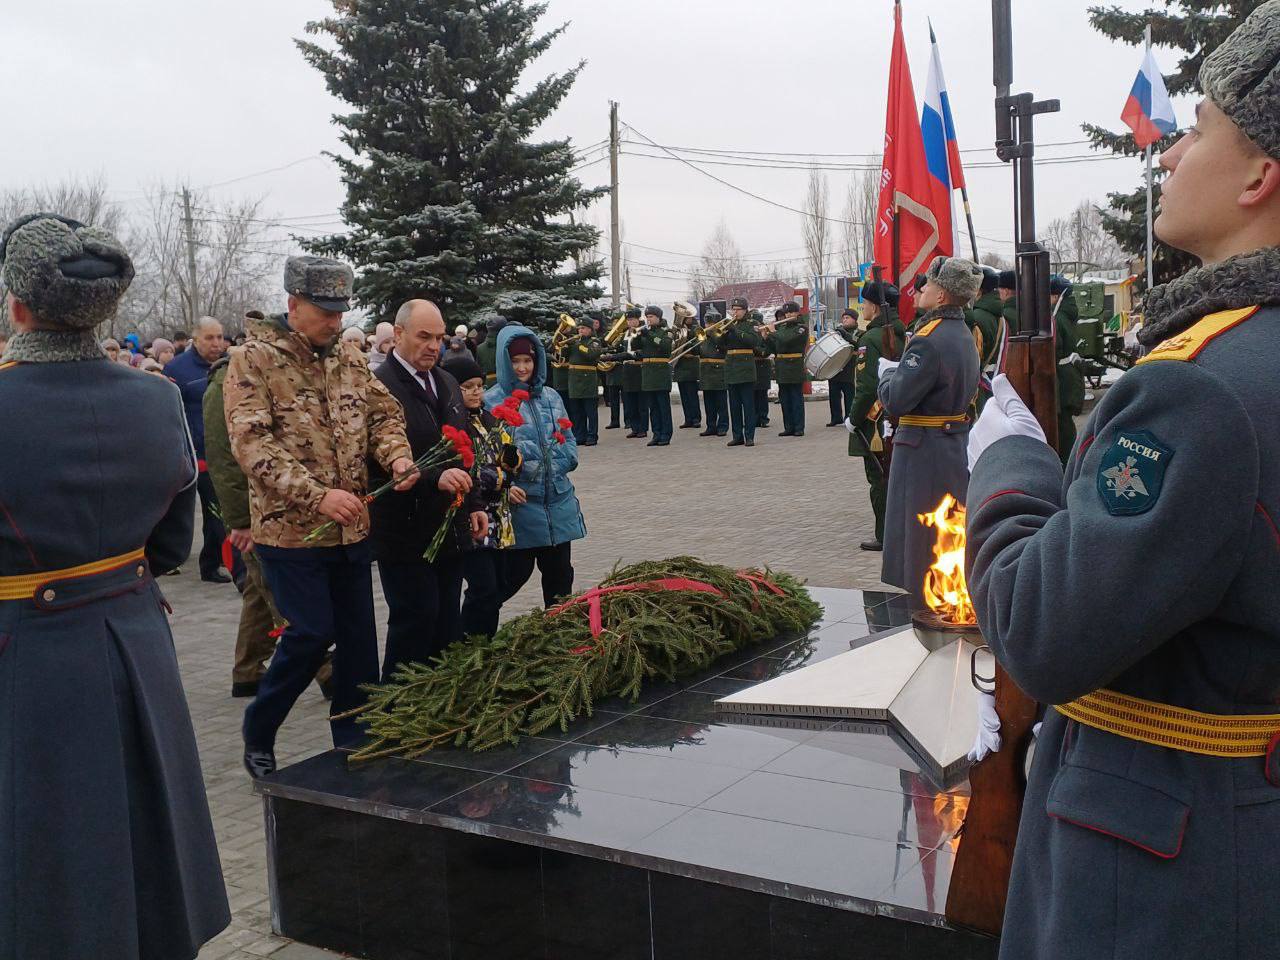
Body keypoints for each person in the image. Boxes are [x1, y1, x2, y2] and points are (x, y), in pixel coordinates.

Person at [964, 7, 1280, 957]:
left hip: (1164, 872)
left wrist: (1009, 458)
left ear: (1260, 176)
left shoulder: (1204, 388)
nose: (1170, 155)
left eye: (1199, 129)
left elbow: (1040, 630)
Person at [0, 212, 229, 957]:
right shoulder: (156, 398)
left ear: (17, 307)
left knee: (44, 860)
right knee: (145, 834)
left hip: (27, 659)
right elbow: (171, 544)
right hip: (138, 642)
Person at [225, 255, 419, 778]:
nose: (336, 321)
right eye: (325, 311)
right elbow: (251, 443)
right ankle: (260, 729)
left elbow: (384, 415)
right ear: (293, 306)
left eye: (340, 311)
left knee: (359, 645)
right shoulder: (253, 360)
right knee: (311, 634)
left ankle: (356, 741)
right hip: (291, 534)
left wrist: (397, 457)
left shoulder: (349, 357)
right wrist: (316, 497)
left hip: (351, 530)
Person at [204, 310, 333, 700]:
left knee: (258, 591)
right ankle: (328, 670)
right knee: (283, 594)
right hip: (257, 509)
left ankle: (247, 670)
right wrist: (239, 520)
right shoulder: (229, 380)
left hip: (279, 500)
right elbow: (224, 459)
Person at [369, 299, 484, 679]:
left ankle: (439, 704)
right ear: (398, 333)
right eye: (424, 337)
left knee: (447, 623)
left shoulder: (446, 381)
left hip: (449, 526)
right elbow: (376, 462)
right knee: (415, 621)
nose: (434, 346)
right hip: (404, 530)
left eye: (439, 338)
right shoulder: (378, 386)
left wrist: (474, 503)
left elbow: (464, 449)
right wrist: (433, 478)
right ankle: (395, 704)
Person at [876, 255, 981, 604]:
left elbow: (897, 400)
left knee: (922, 539)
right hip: (950, 444)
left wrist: (887, 374)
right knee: (945, 531)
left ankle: (926, 607)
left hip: (923, 450)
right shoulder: (963, 333)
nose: (921, 289)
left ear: (942, 296)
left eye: (929, 284)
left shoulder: (928, 339)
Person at [485, 325, 585, 606]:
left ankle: (558, 629)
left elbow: (568, 440)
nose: (522, 368)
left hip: (557, 502)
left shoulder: (551, 397)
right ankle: (475, 629)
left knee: (560, 580)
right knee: (509, 578)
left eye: (527, 360)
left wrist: (561, 461)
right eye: (515, 361)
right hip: (521, 507)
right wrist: (508, 483)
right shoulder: (491, 402)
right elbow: (486, 456)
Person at [441, 350, 525, 639]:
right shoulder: (455, 424)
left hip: (499, 520)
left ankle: (483, 642)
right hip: (473, 520)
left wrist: (513, 461)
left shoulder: (489, 420)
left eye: (479, 385)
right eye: (468, 387)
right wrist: (502, 478)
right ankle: (469, 643)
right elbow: (472, 471)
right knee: (483, 587)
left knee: (499, 585)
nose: (477, 392)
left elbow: (509, 461)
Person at [165, 315, 244, 586]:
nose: (216, 343)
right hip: (194, 454)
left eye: (220, 337)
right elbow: (171, 415)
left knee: (220, 514)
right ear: (195, 339)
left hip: (225, 453)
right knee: (206, 513)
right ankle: (202, 562)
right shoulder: (177, 369)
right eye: (209, 338)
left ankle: (217, 563)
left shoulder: (231, 366)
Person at [845, 281, 906, 552]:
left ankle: (885, 534)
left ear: (875, 306)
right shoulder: (906, 333)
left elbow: (867, 387)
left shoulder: (870, 339)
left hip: (877, 420)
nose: (863, 308)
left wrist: (854, 418)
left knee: (879, 478)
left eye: (865, 303)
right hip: (900, 414)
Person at [710, 296, 763, 447]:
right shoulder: (729, 324)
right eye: (733, 309)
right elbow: (721, 345)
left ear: (745, 310)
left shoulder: (752, 323)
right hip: (731, 368)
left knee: (748, 405)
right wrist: (719, 335)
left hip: (745, 368)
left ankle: (749, 436)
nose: (735, 312)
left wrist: (736, 331)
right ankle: (737, 436)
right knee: (734, 406)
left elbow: (753, 341)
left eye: (738, 309)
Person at [1050, 275, 1086, 464]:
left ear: (1057, 296)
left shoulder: (1056, 318)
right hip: (1070, 373)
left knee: (1063, 427)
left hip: (1062, 377)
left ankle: (1067, 465)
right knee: (1066, 424)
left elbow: (1053, 350)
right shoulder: (1067, 315)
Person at [764, 301, 808, 437]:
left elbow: (786, 339)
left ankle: (799, 427)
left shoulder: (802, 328)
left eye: (791, 312)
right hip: (782, 367)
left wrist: (773, 332)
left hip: (794, 366)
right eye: (786, 313)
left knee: (796, 399)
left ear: (797, 313)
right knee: (785, 399)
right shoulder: (781, 328)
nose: (788, 315)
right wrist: (766, 338)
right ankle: (788, 427)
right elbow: (775, 347)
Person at [635, 304, 674, 446]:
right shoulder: (647, 331)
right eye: (647, 317)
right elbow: (635, 347)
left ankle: (666, 434)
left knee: (663, 407)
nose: (648, 319)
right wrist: (637, 336)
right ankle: (656, 434)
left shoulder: (666, 331)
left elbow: (664, 346)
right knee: (653, 408)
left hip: (660, 372)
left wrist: (649, 335)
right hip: (648, 373)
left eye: (651, 317)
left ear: (658, 317)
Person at [967, 267, 1004, 413]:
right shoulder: (999, 314)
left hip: (980, 387)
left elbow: (973, 358)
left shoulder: (977, 317)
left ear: (979, 290)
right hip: (993, 381)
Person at [564, 315, 603, 445]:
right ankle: (580, 435)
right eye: (579, 328)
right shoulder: (574, 343)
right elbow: (563, 356)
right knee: (576, 411)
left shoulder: (594, 341)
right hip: (574, 379)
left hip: (588, 379)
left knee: (590, 411)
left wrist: (579, 345)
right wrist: (565, 346)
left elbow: (591, 354)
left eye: (584, 328)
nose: (580, 330)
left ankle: (592, 435)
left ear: (590, 329)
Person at [697, 306, 729, 437]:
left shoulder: (721, 332)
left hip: (718, 370)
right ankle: (711, 426)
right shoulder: (703, 335)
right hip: (706, 371)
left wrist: (712, 333)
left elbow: (723, 345)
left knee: (721, 402)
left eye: (710, 323)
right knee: (709, 403)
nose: (707, 325)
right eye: (706, 323)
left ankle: (723, 426)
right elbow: (698, 350)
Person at [825, 308, 859, 426]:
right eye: (843, 318)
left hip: (850, 367)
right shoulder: (838, 332)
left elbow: (857, 343)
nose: (844, 320)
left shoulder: (859, 333)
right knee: (834, 394)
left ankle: (849, 417)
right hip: (836, 367)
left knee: (849, 395)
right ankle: (836, 418)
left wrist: (845, 335)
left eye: (847, 318)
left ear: (854, 320)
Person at [672, 305, 702, 429]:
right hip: (680, 365)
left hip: (690, 366)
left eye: (690, 316)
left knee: (692, 394)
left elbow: (700, 345)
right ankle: (688, 418)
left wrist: (688, 339)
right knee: (684, 395)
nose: (689, 318)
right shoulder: (677, 330)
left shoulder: (697, 329)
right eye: (686, 316)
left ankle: (696, 419)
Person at [620, 307, 646, 438]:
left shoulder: (643, 332)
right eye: (628, 320)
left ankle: (643, 428)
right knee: (630, 401)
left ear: (638, 319)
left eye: (632, 319)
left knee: (641, 401)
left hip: (638, 367)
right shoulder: (625, 334)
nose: (630, 322)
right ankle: (634, 427)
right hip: (627, 368)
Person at [603, 310, 626, 429]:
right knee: (613, 398)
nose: (615, 324)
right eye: (614, 322)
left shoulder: (626, 335)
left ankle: (628, 421)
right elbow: (603, 349)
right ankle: (614, 420)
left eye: (618, 321)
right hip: (611, 370)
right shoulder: (608, 336)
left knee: (627, 398)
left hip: (623, 369)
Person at [752, 309, 773, 427]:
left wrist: (757, 349)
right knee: (752, 394)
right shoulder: (750, 332)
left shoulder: (765, 332)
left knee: (762, 394)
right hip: (752, 364)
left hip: (763, 365)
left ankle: (763, 418)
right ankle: (754, 418)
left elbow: (767, 350)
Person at [475, 316, 504, 387]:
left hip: (488, 383)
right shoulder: (506, 345)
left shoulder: (480, 348)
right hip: (505, 382)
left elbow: (478, 368)